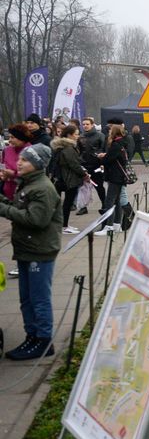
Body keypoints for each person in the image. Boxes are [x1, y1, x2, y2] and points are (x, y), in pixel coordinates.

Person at [0, 144, 62, 360]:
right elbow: (20, 208)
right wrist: (4, 201)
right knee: (26, 298)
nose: (19, 162)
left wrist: (3, 209)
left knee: (39, 298)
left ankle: (44, 342)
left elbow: (36, 219)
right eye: (20, 159)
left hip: (40, 251)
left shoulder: (42, 188)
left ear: (37, 164)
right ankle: (32, 336)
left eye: (25, 160)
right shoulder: (27, 184)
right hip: (27, 248)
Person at [50, 125, 89, 234]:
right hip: (68, 179)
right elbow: (74, 164)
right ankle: (64, 226)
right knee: (67, 203)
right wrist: (84, 174)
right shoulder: (68, 148)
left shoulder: (61, 146)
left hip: (61, 178)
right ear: (69, 135)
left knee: (63, 203)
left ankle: (63, 225)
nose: (78, 136)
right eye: (76, 134)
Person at [94, 124, 129, 235]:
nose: (109, 133)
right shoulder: (122, 143)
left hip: (115, 177)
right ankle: (117, 225)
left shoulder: (116, 145)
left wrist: (102, 157)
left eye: (110, 131)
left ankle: (109, 227)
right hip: (119, 176)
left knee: (109, 201)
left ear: (114, 133)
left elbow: (107, 160)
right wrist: (107, 155)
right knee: (117, 201)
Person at [77, 117, 106, 215]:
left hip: (96, 165)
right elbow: (79, 151)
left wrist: (99, 158)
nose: (85, 126)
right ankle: (83, 207)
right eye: (83, 124)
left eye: (87, 124)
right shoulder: (81, 137)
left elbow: (103, 148)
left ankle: (105, 204)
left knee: (99, 186)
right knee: (83, 187)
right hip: (84, 165)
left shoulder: (100, 136)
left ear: (92, 125)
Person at [1, 123, 32, 201]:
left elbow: (33, 175)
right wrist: (2, 174)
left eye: (12, 137)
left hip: (24, 193)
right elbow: (2, 165)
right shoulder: (7, 150)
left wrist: (14, 175)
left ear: (21, 138)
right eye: (9, 137)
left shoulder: (31, 151)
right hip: (7, 191)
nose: (9, 140)